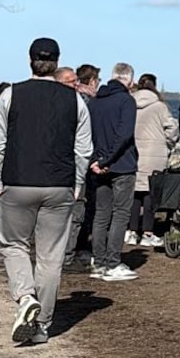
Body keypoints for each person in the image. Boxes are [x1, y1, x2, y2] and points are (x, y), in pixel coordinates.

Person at [0, 37, 92, 345]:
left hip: (17, 183)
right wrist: (77, 184)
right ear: (57, 62)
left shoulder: (9, 96)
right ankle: (42, 326)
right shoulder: (75, 101)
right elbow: (83, 149)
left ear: (29, 60)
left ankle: (24, 298)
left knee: (13, 245)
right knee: (50, 257)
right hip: (59, 185)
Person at [87, 62, 139, 282]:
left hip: (99, 164)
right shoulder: (126, 101)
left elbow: (87, 133)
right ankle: (112, 262)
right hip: (122, 164)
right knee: (120, 214)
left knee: (101, 213)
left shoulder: (95, 102)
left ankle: (98, 261)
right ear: (128, 79)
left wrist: (96, 160)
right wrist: (108, 158)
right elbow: (124, 134)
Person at [129, 73, 177, 247]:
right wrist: (169, 143)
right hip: (155, 152)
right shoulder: (159, 106)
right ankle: (148, 232)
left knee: (135, 192)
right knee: (151, 192)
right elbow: (171, 128)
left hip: (134, 151)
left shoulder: (130, 103)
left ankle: (132, 231)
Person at [62, 64, 101, 273]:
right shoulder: (86, 102)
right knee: (77, 208)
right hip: (76, 163)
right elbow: (86, 137)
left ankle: (63, 252)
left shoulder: (68, 100)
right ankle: (68, 255)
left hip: (63, 162)